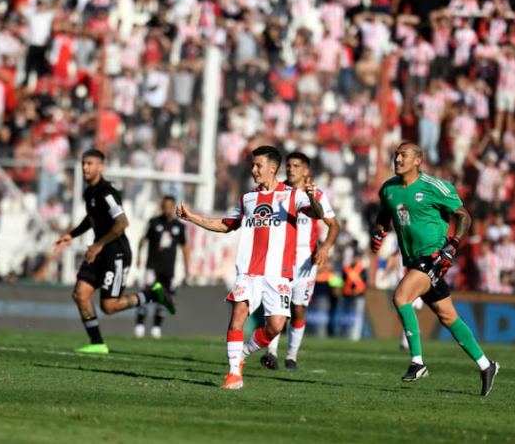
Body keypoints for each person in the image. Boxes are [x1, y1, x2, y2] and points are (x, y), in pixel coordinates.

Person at [176, 146, 326, 389]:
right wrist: (192, 217)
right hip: (248, 272)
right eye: (253, 165)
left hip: (279, 274)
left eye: (258, 165)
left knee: (275, 327)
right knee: (238, 315)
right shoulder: (248, 198)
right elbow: (226, 224)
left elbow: (317, 214)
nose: (253, 169)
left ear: (272, 168)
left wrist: (311, 197)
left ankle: (242, 353)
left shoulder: (292, 196)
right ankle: (234, 374)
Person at [371, 142, 500, 396]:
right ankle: (486, 365)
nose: (398, 159)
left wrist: (452, 245)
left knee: (401, 297)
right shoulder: (389, 189)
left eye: (403, 155)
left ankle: (417, 362)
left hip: (432, 256)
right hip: (412, 259)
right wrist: (379, 232)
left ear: (418, 160)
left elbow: (464, 216)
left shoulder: (434, 186)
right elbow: (383, 215)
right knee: (448, 317)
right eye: (397, 155)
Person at [54, 150, 175, 354]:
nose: (85, 167)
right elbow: (91, 218)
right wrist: (72, 235)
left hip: (115, 253)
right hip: (99, 250)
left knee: (109, 307)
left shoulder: (107, 192)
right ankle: (97, 343)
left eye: (90, 164)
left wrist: (99, 244)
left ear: (100, 166)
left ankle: (154, 295)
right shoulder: (89, 192)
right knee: (80, 294)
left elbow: (122, 222)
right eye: (83, 163)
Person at [260, 152, 339, 370]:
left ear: (306, 171)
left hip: (306, 261)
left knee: (298, 310)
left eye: (296, 166)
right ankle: (271, 353)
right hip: (280, 259)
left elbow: (334, 226)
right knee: (277, 309)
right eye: (289, 165)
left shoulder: (317, 195)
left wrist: (325, 247)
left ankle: (292, 356)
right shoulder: (276, 192)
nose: (291, 169)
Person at [135, 196, 191, 339]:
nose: (167, 209)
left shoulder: (179, 226)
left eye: (170, 206)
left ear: (173, 208)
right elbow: (143, 239)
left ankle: (156, 327)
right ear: (162, 206)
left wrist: (187, 268)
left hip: (168, 268)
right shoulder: (154, 222)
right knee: (147, 293)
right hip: (152, 266)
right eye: (165, 206)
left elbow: (184, 247)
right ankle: (140, 324)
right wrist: (139, 256)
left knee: (163, 297)